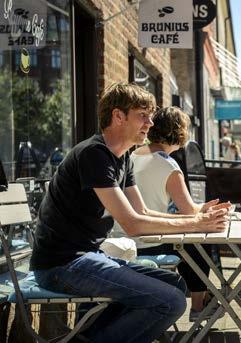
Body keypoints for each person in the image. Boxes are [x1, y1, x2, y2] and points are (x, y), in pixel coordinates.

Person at [29, 83, 229, 343]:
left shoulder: (123, 157)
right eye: (142, 115)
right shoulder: (94, 154)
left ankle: (88, 337)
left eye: (151, 115)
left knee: (176, 285)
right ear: (118, 116)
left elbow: (143, 211)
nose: (150, 122)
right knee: (171, 301)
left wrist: (197, 219)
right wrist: (196, 223)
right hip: (62, 265)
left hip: (89, 257)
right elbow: (133, 224)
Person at [113, 106, 222, 322]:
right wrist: (204, 211)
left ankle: (203, 300)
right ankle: (199, 305)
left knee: (191, 234)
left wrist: (202, 209)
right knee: (197, 243)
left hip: (121, 239)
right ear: (179, 132)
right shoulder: (169, 165)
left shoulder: (132, 156)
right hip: (147, 242)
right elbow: (189, 211)